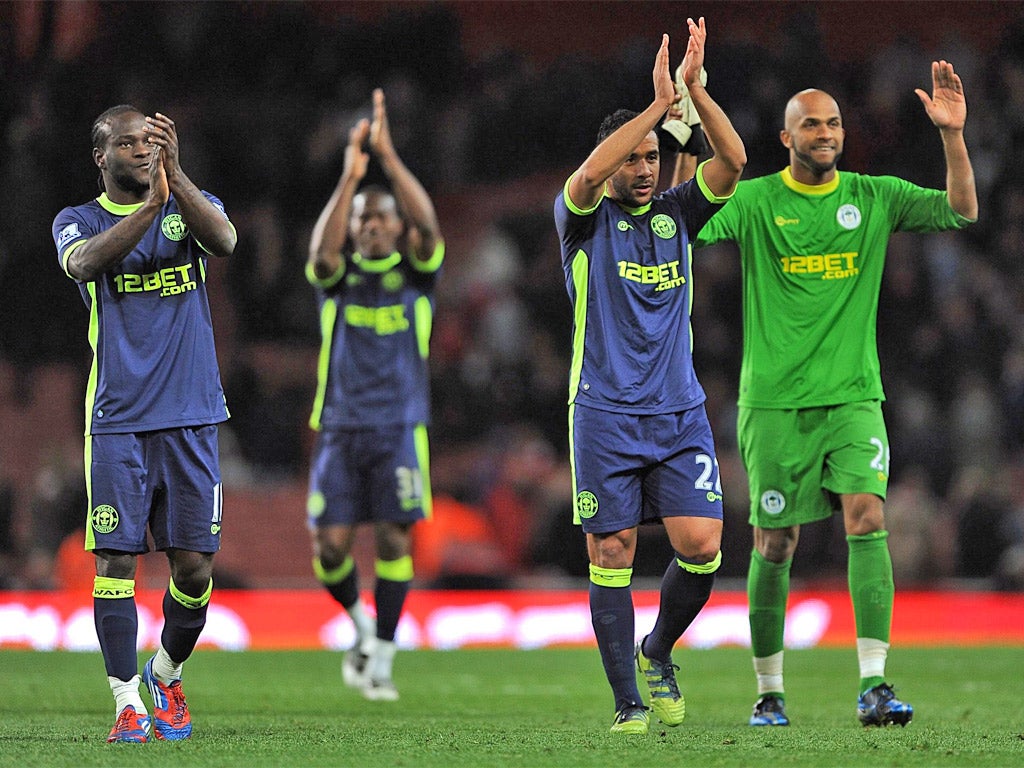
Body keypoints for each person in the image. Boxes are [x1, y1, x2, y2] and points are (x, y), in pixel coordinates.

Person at [688, 60, 978, 727]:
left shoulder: (872, 196)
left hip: (853, 397)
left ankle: (874, 684)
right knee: (775, 543)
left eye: (833, 122)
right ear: (787, 138)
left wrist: (953, 136)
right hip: (774, 404)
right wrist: (691, 117)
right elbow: (692, 219)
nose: (825, 132)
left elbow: (962, 210)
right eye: (810, 124)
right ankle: (769, 693)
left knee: (868, 517)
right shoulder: (758, 201)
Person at [553, 18, 746, 734]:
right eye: (631, 158)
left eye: (652, 158)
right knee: (613, 553)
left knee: (703, 547)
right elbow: (585, 175)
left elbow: (733, 158)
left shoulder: (678, 215)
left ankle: (657, 650)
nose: (642, 169)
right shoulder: (578, 219)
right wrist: (651, 112)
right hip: (602, 413)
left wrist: (690, 97)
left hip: (678, 413)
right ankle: (626, 703)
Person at [52, 105, 236, 743]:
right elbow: (82, 265)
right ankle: (127, 701)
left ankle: (167, 672)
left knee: (195, 569)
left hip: (192, 415)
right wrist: (151, 209)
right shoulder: (76, 221)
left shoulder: (188, 203)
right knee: (115, 562)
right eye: (127, 144)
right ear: (100, 157)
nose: (141, 151)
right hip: (119, 421)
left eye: (150, 141)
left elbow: (228, 241)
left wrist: (176, 181)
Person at [305, 88, 443, 701]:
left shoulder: (417, 276)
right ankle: (360, 621)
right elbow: (320, 252)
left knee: (393, 537)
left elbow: (430, 224)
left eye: (383, 216)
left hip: (399, 426)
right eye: (364, 218)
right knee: (329, 548)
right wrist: (350, 180)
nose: (373, 224)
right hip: (339, 425)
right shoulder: (338, 281)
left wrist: (389, 159)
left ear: (397, 225)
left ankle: (382, 658)